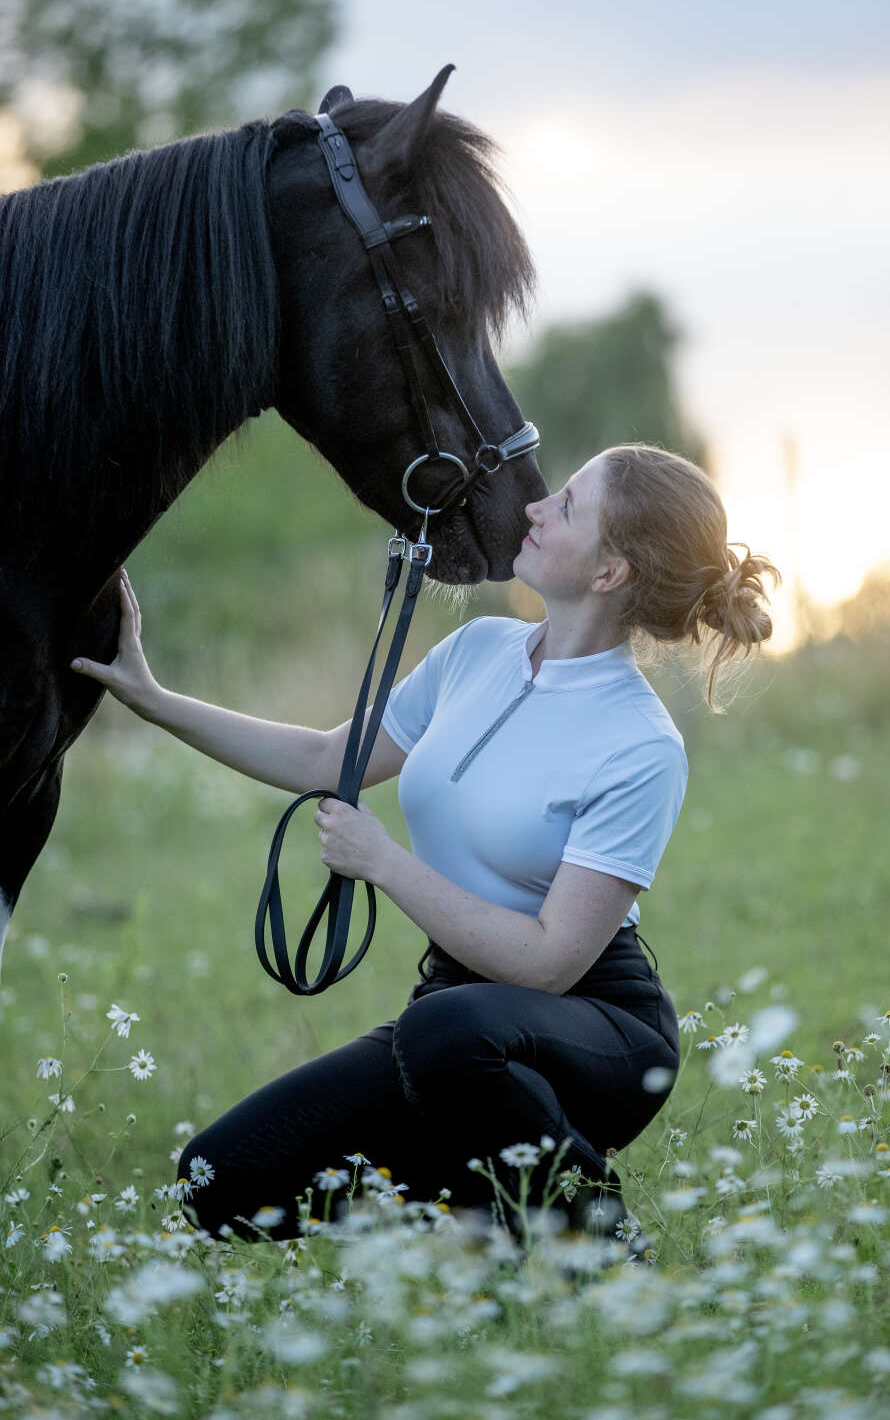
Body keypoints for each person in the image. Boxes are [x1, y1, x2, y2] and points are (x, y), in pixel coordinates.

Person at [72, 444, 778, 1246]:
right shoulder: (476, 651)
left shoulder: (639, 744)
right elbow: (322, 759)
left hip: (590, 1032)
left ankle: (600, 1243)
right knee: (219, 1182)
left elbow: (550, 963)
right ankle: (484, 1222)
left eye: (568, 505)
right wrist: (152, 701)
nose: (535, 508)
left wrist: (383, 862)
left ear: (611, 571)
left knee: (446, 1033)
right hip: (450, 1025)